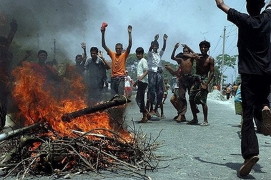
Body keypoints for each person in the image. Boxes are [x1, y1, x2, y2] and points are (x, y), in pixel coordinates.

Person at [215, 0, 271, 177]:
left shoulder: (243, 19)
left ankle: (250, 154)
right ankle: (265, 108)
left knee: (246, 115)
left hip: (249, 74)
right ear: (261, 5)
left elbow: (220, 4)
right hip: (267, 73)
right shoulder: (267, 18)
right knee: (261, 102)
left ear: (248, 6)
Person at [187, 40, 214, 126]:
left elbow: (212, 73)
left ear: (208, 48)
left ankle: (205, 120)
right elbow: (190, 53)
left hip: (204, 79)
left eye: (205, 47)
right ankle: (195, 118)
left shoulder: (210, 59)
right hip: (196, 79)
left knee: (203, 101)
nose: (203, 48)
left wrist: (206, 84)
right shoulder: (197, 56)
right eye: (202, 47)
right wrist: (187, 47)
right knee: (191, 99)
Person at [101, 25, 132, 96]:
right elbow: (103, 45)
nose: (118, 49)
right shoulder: (112, 54)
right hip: (113, 78)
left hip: (121, 78)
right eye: (116, 48)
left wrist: (129, 34)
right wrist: (103, 33)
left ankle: (121, 106)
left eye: (119, 48)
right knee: (113, 96)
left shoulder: (124, 55)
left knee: (120, 95)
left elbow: (130, 45)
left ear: (121, 49)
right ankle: (114, 107)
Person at [171, 43, 198, 122]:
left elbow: (196, 55)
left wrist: (188, 47)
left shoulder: (191, 58)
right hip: (182, 79)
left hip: (190, 78)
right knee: (181, 97)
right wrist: (175, 48)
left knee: (192, 97)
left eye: (187, 51)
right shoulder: (181, 59)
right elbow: (172, 57)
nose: (185, 53)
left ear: (189, 52)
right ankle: (181, 114)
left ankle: (194, 116)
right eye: (184, 51)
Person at [0, 19, 17, 130]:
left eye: (4, 43)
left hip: (4, 82)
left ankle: (1, 125)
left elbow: (10, 39)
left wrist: (13, 28)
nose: (3, 45)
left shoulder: (6, 51)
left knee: (4, 103)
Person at [147, 34, 168, 117]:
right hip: (152, 73)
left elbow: (164, 48)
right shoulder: (150, 54)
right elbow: (149, 48)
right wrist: (154, 39)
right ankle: (151, 109)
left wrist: (164, 40)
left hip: (158, 73)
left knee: (160, 92)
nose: (155, 47)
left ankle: (156, 109)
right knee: (152, 91)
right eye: (154, 46)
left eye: (156, 46)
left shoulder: (159, 54)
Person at [134, 47, 150, 123]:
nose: (138, 55)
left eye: (139, 54)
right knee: (138, 99)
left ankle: (145, 116)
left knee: (140, 99)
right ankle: (146, 113)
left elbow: (147, 71)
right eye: (137, 54)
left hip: (143, 82)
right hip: (140, 82)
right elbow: (140, 73)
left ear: (142, 54)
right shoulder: (139, 61)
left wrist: (141, 78)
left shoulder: (143, 60)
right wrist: (136, 82)